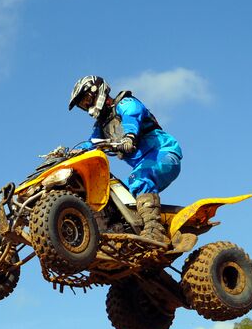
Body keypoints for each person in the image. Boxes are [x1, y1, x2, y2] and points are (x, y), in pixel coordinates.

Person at [67, 75, 183, 244]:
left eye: (86, 99)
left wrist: (129, 137)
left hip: (164, 154)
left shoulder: (125, 103)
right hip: (143, 164)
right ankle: (120, 235)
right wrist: (73, 152)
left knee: (138, 179)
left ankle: (154, 231)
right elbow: (91, 143)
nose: (86, 105)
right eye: (82, 104)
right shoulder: (101, 125)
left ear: (97, 91)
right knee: (119, 198)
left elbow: (132, 117)